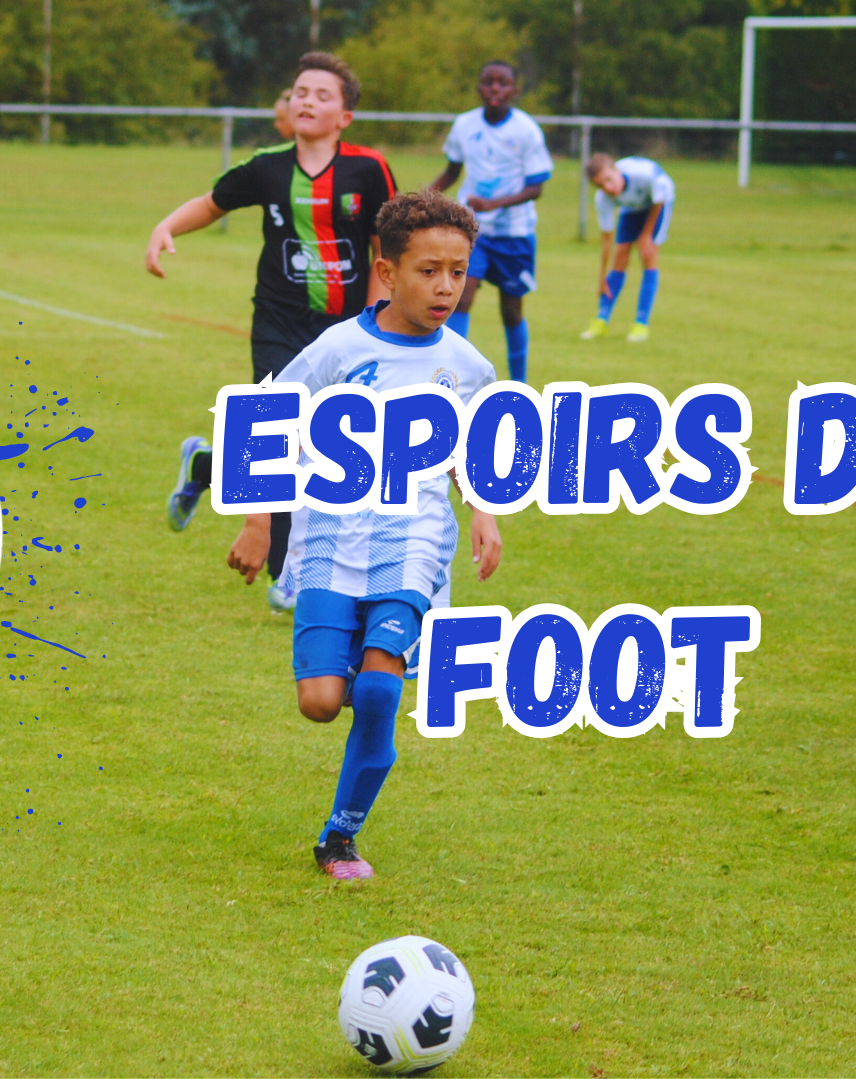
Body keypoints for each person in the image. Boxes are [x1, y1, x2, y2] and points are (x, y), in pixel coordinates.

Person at [226, 191, 502, 877]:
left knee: (378, 694)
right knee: (320, 703)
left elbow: (469, 452)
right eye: (428, 271)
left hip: (414, 542)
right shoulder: (339, 349)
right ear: (386, 272)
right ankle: (369, 665)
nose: (445, 287)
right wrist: (259, 522)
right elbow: (273, 423)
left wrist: (484, 512)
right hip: (329, 538)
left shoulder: (468, 367)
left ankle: (339, 839)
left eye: (458, 272)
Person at [149, 53, 397, 613]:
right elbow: (211, 204)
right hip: (279, 321)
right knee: (279, 432)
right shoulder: (267, 168)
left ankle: (204, 466)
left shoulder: (369, 171)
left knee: (328, 442)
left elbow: (384, 249)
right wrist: (166, 227)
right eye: (300, 91)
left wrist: (374, 320)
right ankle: (288, 572)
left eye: (323, 95)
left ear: (345, 117)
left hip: (343, 329)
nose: (307, 100)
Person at [430, 61, 553, 384]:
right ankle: (453, 380)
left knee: (511, 311)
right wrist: (422, 198)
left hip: (515, 233)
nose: (495, 88)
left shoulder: (526, 130)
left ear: (514, 90)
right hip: (474, 232)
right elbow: (452, 171)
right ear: (479, 88)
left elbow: (536, 187)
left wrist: (492, 204)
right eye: (488, 82)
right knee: (462, 298)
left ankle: (520, 384)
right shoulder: (464, 125)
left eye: (503, 83)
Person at [578, 153, 674, 343]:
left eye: (608, 179)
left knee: (648, 256)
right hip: (632, 207)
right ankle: (601, 320)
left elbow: (659, 199)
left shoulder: (644, 176)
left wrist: (646, 235)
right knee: (620, 258)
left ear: (616, 170)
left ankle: (641, 324)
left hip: (659, 203)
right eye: (600, 185)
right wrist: (601, 277)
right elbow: (607, 241)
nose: (608, 188)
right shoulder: (603, 198)